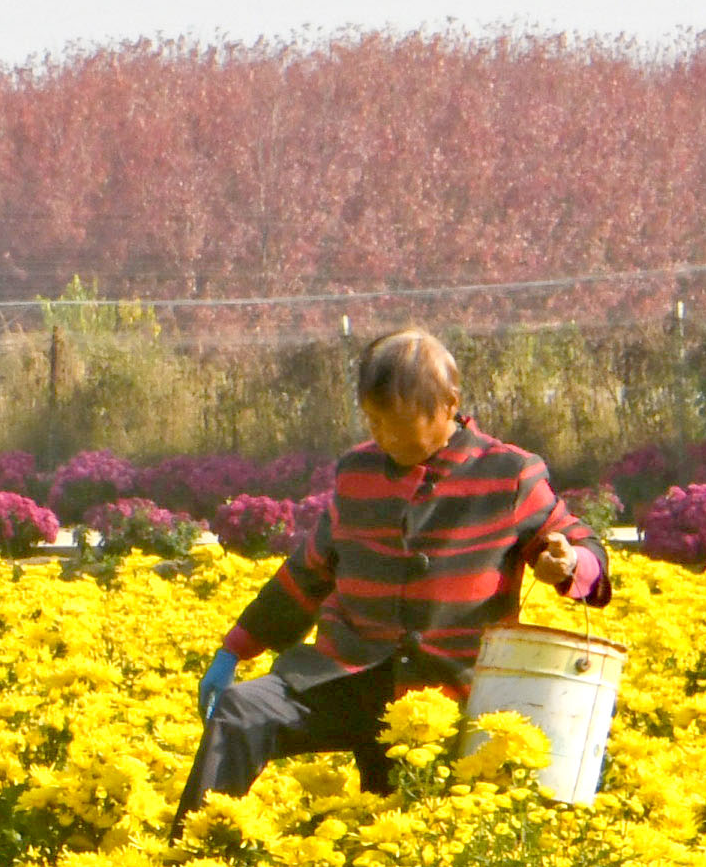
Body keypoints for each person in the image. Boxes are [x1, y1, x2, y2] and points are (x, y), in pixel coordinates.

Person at [186, 330, 611, 809]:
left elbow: (576, 539)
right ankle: (199, 853)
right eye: (375, 421)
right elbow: (309, 572)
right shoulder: (357, 474)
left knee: (403, 821)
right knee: (241, 712)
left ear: (450, 404)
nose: (387, 436)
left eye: (402, 423)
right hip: (346, 678)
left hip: (450, 697)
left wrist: (572, 563)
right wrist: (234, 650)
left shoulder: (508, 473)